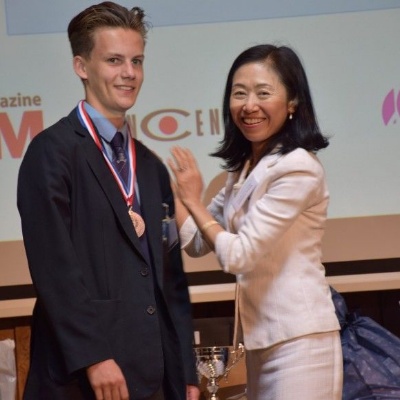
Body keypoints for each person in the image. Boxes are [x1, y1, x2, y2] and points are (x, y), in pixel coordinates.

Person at [17, 2, 200, 400]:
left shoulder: (150, 166)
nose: (129, 73)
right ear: (81, 66)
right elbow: (54, 270)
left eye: (137, 61)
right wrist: (94, 356)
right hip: (83, 377)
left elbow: (171, 281)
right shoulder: (51, 152)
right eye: (114, 60)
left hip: (155, 376)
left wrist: (186, 369)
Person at [168, 44, 343, 399]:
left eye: (263, 93)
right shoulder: (245, 168)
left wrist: (193, 200)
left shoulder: (297, 167)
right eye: (239, 93)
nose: (249, 106)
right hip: (262, 343)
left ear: (292, 102)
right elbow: (197, 241)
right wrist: (170, 190)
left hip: (301, 342)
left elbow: (239, 256)